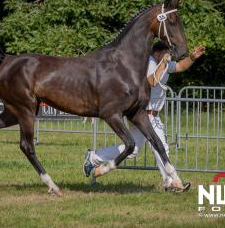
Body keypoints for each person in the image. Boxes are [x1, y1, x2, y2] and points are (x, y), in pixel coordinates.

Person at [82, 41, 205, 192]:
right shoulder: (149, 63)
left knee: (133, 150)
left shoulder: (163, 63)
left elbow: (180, 66)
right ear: (159, 52)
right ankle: (171, 182)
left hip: (152, 114)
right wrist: (163, 63)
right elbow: (152, 81)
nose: (170, 56)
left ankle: (94, 158)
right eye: (168, 53)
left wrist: (192, 57)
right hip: (143, 113)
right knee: (161, 147)